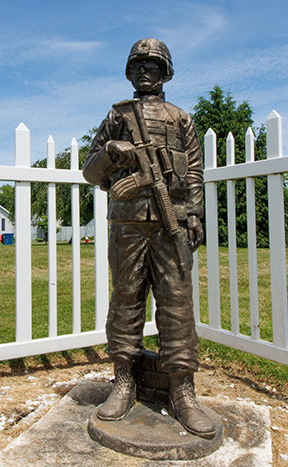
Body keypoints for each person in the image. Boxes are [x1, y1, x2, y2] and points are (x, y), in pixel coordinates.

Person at [83, 38, 214, 438]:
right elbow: (91, 172)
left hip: (170, 222)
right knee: (126, 300)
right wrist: (110, 150)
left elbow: (193, 172)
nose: (144, 71)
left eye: (152, 65)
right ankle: (123, 379)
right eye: (138, 65)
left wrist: (193, 215)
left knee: (177, 304)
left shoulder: (181, 119)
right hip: (127, 223)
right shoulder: (117, 115)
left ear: (165, 72)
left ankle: (182, 389)